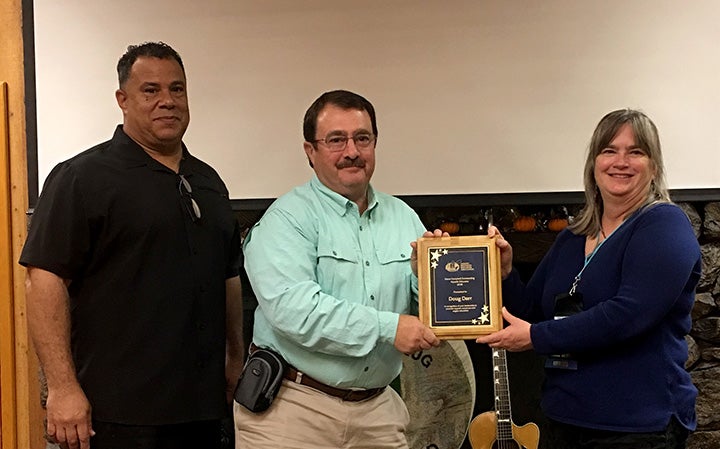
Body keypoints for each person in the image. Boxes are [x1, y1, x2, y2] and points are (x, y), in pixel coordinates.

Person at [20, 41, 244, 449]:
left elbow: (228, 275)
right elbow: (44, 281)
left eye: (177, 89)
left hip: (205, 410)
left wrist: (234, 357)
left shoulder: (209, 182)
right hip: (117, 416)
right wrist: (62, 388)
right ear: (122, 100)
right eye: (151, 90)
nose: (167, 101)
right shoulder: (81, 178)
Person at [477, 109, 702, 449]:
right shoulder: (572, 238)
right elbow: (529, 310)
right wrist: (505, 273)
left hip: (637, 428)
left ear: (654, 166)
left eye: (636, 152)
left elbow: (626, 316)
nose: (620, 162)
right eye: (609, 150)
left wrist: (536, 337)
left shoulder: (665, 227)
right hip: (564, 419)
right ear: (594, 163)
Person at [235, 89, 441, 449]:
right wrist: (388, 327)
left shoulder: (404, 218)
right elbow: (295, 311)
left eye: (363, 138)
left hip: (377, 413)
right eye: (336, 140)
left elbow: (430, 308)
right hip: (293, 411)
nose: (352, 152)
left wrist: (480, 275)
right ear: (310, 152)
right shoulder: (286, 220)